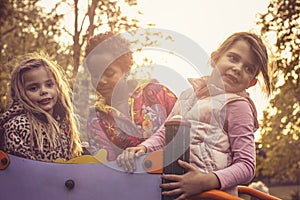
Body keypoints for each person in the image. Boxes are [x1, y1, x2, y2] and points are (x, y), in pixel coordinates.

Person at [116, 32, 272, 198]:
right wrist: (143, 147)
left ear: (252, 82)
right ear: (215, 58)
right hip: (177, 189)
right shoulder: (187, 95)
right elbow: (165, 133)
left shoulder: (238, 106)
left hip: (212, 195)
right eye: (233, 58)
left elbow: (246, 165)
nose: (238, 68)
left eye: (249, 68)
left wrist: (206, 181)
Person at [84, 31, 177, 160]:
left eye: (109, 73)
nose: (101, 81)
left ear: (126, 71)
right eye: (95, 75)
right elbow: (106, 166)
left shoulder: (157, 94)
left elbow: (187, 130)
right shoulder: (97, 120)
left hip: (176, 177)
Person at [0, 52, 82, 162]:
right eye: (33, 88)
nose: (43, 91)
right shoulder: (18, 126)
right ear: (20, 93)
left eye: (49, 85)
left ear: (58, 86)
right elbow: (20, 170)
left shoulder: (63, 124)